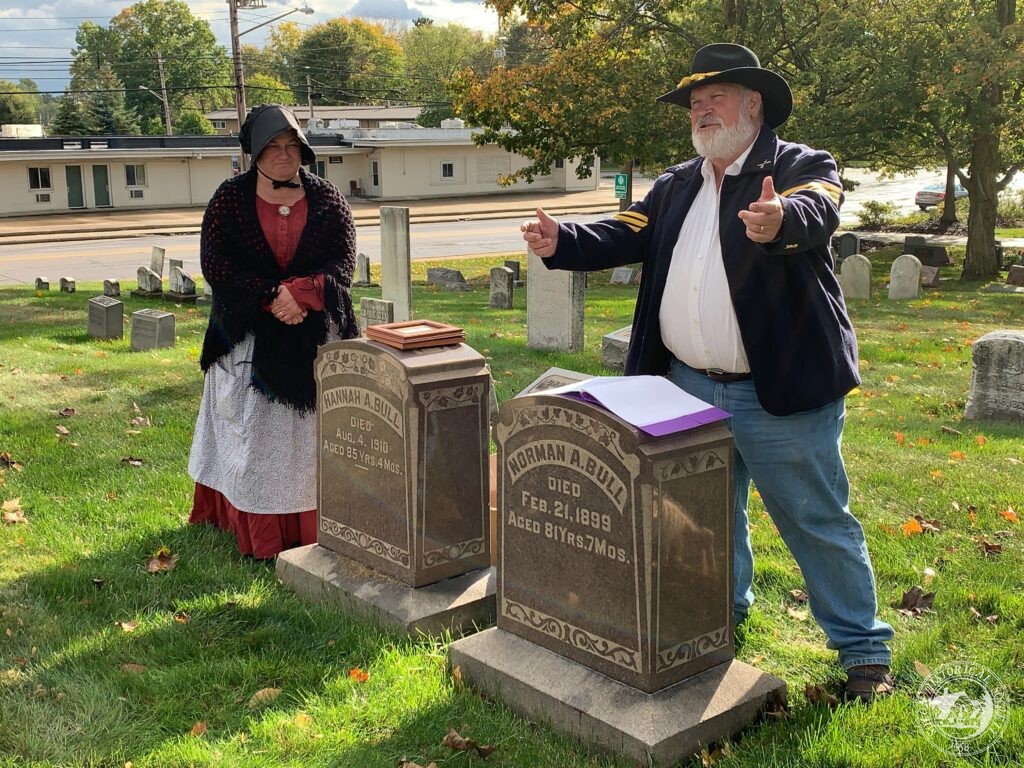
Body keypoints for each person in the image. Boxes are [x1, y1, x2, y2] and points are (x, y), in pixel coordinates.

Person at [521, 44, 894, 701]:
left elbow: (818, 208)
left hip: (779, 393)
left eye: (713, 97)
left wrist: (780, 219)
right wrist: (564, 241)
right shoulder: (676, 185)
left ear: (752, 105)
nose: (700, 110)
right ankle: (725, 613)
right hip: (687, 387)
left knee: (815, 519)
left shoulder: (800, 165)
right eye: (694, 103)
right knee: (707, 517)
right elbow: (624, 231)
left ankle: (863, 657)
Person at [187, 104, 358, 559]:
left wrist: (301, 293)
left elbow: (342, 263)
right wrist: (270, 296)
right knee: (254, 436)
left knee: (310, 439)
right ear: (254, 153)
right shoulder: (229, 199)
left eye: (291, 146)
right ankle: (260, 528)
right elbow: (217, 263)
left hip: (314, 331)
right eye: (272, 147)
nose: (284, 155)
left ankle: (319, 519)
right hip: (246, 331)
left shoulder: (328, 199)